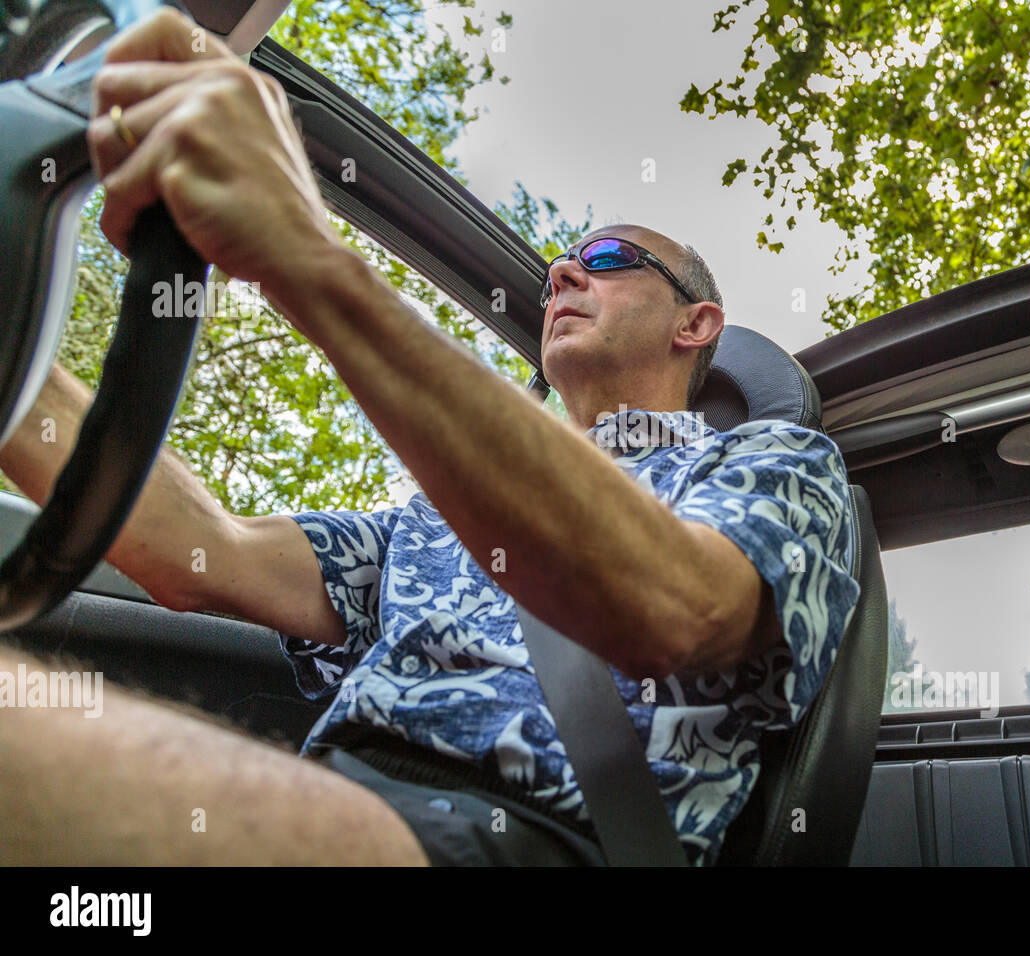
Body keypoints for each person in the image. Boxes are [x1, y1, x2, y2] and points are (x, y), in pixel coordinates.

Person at [0, 8, 860, 866]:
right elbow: (193, 549)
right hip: (334, 800)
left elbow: (683, 608)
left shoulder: (770, 463)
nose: (562, 271)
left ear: (695, 322)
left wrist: (306, 259)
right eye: (565, 262)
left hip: (533, 838)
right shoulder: (428, 521)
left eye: (604, 260)